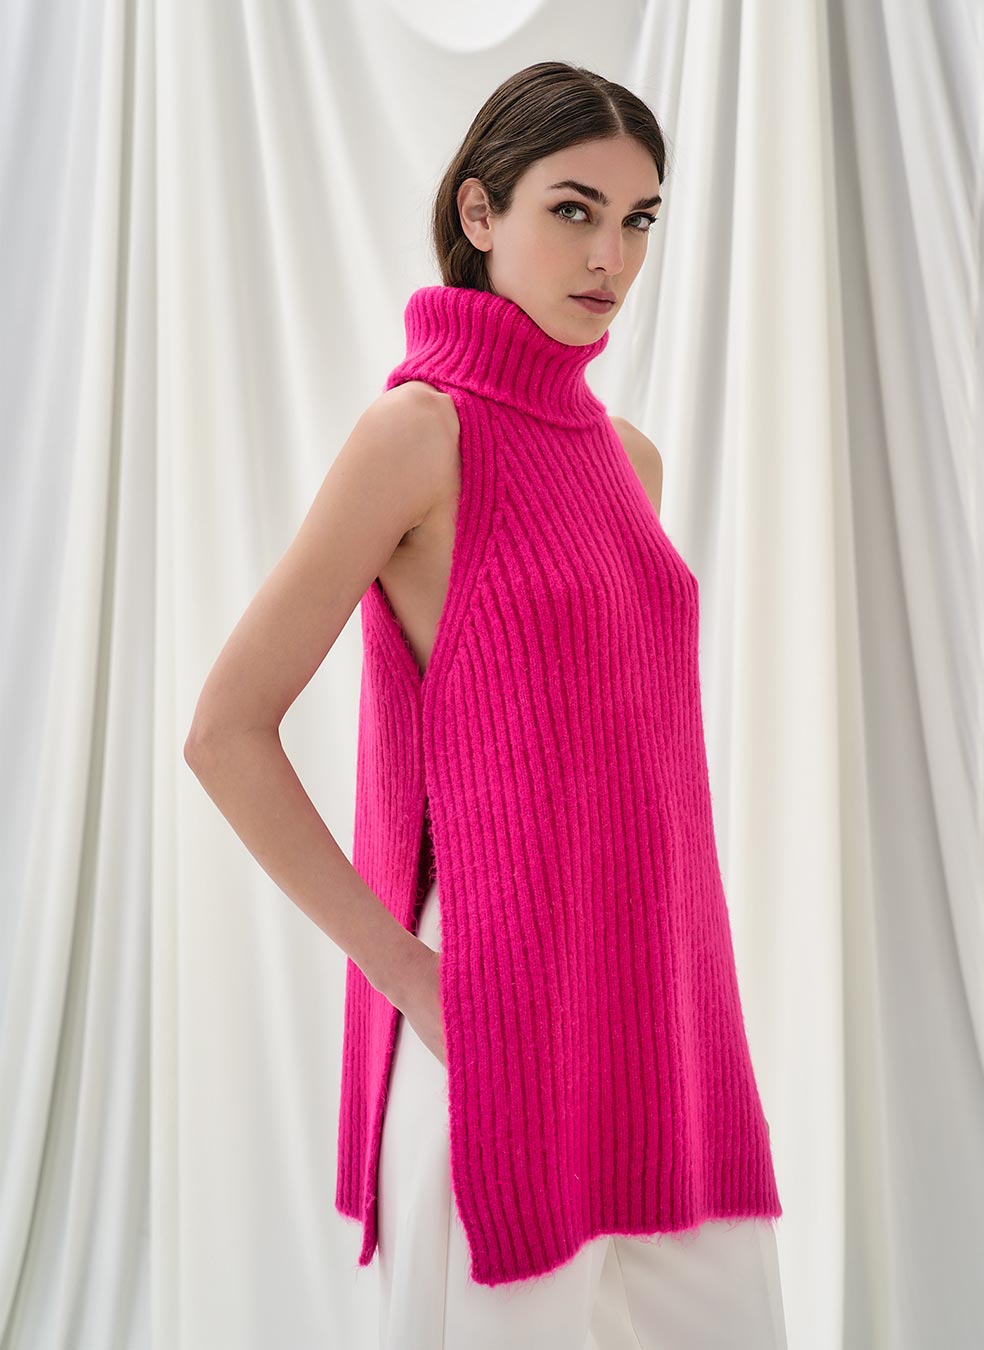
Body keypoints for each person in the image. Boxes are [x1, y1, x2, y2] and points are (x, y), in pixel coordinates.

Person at [186, 59, 787, 1349]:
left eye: (638, 220)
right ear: (479, 211)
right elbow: (225, 730)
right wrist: (412, 977)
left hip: (663, 1016)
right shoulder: (419, 433)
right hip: (498, 1019)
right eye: (573, 210)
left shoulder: (629, 461)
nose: (611, 258)